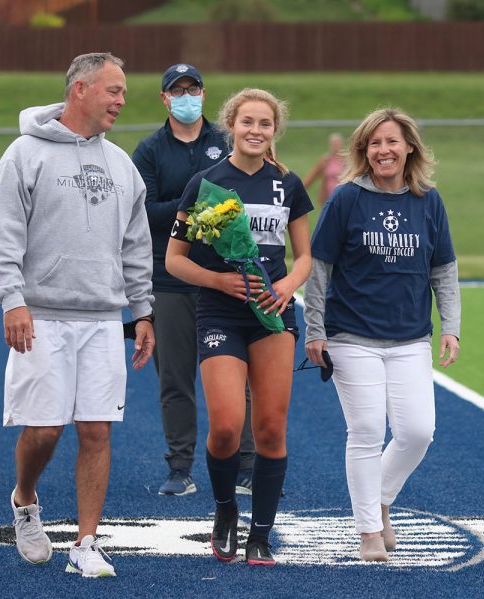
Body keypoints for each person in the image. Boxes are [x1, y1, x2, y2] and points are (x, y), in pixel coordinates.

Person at [0, 52, 155, 579]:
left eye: (123, 92)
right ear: (80, 89)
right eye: (114, 90)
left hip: (102, 318)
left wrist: (143, 310)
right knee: (45, 431)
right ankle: (26, 499)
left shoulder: (122, 165)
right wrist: (12, 299)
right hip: (42, 315)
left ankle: (86, 542)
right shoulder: (23, 154)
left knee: (97, 431)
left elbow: (136, 244)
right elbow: (3, 233)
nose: (122, 101)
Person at [303, 107, 461, 562]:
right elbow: (319, 268)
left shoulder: (428, 200)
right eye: (374, 143)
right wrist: (315, 329)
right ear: (364, 151)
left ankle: (382, 499)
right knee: (368, 430)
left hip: (411, 338)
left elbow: (444, 269)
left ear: (409, 146)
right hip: (352, 335)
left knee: (418, 431)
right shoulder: (347, 199)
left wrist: (450, 326)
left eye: (391, 141)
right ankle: (368, 530)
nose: (383, 150)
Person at [165, 88, 312, 566]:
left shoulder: (287, 184)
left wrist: (288, 285)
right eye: (247, 121)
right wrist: (217, 280)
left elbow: (305, 255)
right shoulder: (204, 184)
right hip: (221, 312)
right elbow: (173, 261)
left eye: (265, 124)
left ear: (275, 130)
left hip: (272, 314)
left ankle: (262, 533)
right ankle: (226, 511)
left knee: (270, 429)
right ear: (231, 124)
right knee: (227, 426)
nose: (255, 130)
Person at [132, 64, 256, 497]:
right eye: (177, 90)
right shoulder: (148, 151)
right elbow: (146, 213)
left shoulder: (226, 141)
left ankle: (245, 465)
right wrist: (199, 200)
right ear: (164, 98)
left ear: (204, 93)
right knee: (175, 377)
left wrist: (186, 203)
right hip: (169, 277)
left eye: (193, 88)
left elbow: (244, 197)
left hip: (223, 275)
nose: (187, 96)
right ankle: (180, 467)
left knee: (235, 372)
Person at [302, 132, 345, 206]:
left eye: (338, 144)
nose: (336, 147)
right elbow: (311, 177)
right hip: (328, 198)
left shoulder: (347, 161)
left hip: (344, 197)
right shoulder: (325, 160)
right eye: (334, 144)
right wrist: (298, 189)